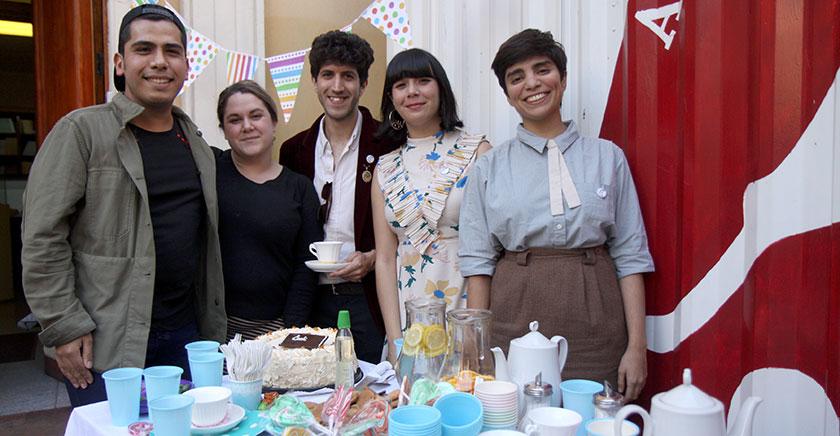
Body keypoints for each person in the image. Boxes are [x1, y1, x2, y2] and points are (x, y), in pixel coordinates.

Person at [21, 4, 225, 407]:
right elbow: (42, 238)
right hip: (107, 341)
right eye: (144, 49)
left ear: (186, 65)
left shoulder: (196, 143)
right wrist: (63, 324)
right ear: (120, 62)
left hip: (185, 335)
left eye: (172, 51)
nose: (159, 62)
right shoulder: (81, 131)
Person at [458, 29, 654, 400]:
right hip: (512, 319)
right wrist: (476, 350)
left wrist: (637, 346)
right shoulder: (489, 168)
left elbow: (631, 255)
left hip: (597, 322)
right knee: (514, 416)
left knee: (593, 415)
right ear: (508, 95)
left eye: (542, 69)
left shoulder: (608, 157)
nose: (532, 83)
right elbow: (477, 264)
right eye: (517, 77)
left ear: (562, 80)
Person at [372, 48, 491, 363]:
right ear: (392, 98)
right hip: (409, 323)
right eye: (401, 85)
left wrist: (473, 332)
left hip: (464, 310)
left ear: (441, 88)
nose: (412, 92)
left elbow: (489, 250)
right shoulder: (385, 168)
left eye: (423, 81)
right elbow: (385, 259)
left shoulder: (477, 151)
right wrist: (395, 341)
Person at [279, 31, 391, 364]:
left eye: (348, 76)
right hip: (311, 299)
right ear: (314, 81)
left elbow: (408, 228)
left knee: (373, 385)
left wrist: (372, 258)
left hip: (369, 300)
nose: (337, 86)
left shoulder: (387, 144)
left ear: (363, 83)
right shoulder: (293, 150)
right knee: (313, 384)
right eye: (328, 74)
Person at [215, 80, 321, 340]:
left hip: (276, 330)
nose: (247, 126)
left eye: (256, 116)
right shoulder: (210, 174)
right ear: (224, 130)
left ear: (274, 122)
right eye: (235, 120)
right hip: (215, 332)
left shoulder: (300, 188)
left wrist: (288, 332)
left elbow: (306, 267)